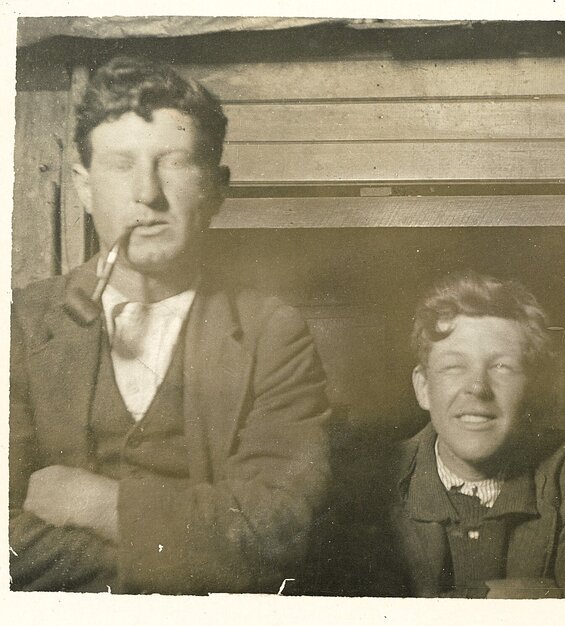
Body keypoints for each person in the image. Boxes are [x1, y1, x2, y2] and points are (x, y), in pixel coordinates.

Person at [9, 56, 333, 593]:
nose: (147, 194)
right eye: (119, 164)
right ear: (84, 187)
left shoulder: (273, 334)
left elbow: (276, 531)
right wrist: (184, 563)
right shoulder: (17, 326)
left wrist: (96, 503)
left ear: (216, 188)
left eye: (174, 162)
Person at [380, 272, 565, 599]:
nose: (478, 387)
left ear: (529, 388)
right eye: (454, 366)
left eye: (501, 367)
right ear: (423, 388)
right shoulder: (377, 477)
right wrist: (527, 596)